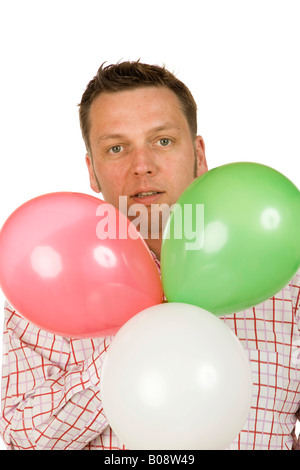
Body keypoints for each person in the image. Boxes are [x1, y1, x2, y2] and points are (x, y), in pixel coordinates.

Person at [0, 61, 299, 450]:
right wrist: (134, 340)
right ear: (92, 170)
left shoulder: (286, 284)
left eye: (162, 141)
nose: (142, 167)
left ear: (199, 154)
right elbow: (24, 435)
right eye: (117, 148)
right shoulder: (42, 289)